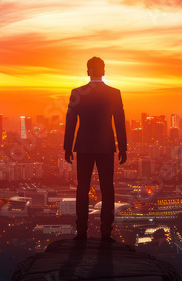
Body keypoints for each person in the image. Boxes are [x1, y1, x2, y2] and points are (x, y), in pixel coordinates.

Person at [64, 56, 127, 242]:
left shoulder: (77, 93)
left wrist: (67, 147)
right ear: (104, 71)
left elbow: (70, 121)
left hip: (83, 147)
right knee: (108, 189)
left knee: (82, 188)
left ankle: (81, 232)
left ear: (87, 71)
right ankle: (106, 232)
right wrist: (123, 147)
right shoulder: (114, 93)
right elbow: (120, 122)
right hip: (106, 147)